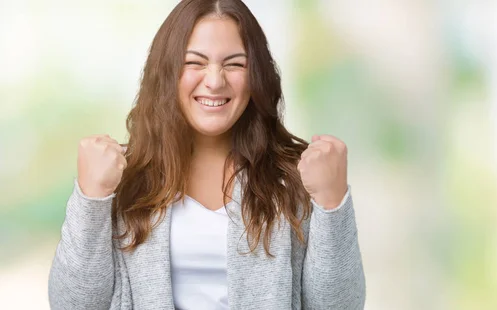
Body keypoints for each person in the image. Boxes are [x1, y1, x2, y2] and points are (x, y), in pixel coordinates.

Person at [48, 0, 365, 309]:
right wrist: (92, 198)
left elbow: (340, 306)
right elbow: (73, 305)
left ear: (257, 75)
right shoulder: (122, 176)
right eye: (195, 62)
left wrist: (332, 204)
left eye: (235, 64)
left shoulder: (296, 177)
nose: (215, 81)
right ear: (167, 71)